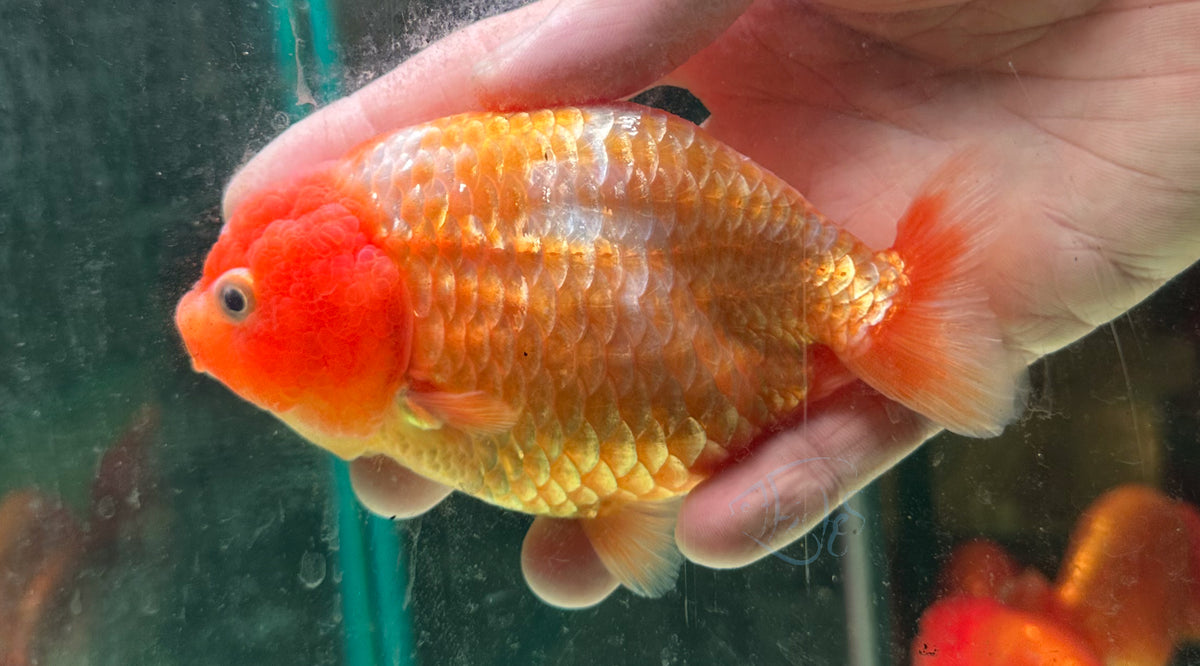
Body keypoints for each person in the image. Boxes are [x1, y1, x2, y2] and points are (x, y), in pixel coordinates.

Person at [223, 0, 1200, 607]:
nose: (219, 326)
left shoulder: (406, 318)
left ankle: (878, 304)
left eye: (239, 303)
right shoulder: (406, 372)